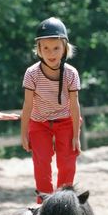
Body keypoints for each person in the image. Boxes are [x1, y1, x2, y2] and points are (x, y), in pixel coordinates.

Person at [21, 17, 81, 203]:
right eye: (45, 48)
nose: (51, 53)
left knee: (67, 163)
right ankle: (44, 203)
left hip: (65, 121)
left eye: (56, 47)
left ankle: (64, 201)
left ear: (65, 48)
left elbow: (74, 105)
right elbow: (28, 106)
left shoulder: (71, 73)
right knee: (41, 163)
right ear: (38, 49)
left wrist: (76, 136)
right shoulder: (32, 73)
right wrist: (24, 134)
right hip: (39, 122)